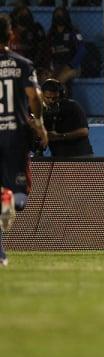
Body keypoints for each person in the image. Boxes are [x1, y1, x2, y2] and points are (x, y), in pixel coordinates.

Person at [0, 14, 49, 268]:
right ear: (11, 36)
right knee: (19, 200)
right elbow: (34, 97)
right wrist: (39, 124)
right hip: (16, 133)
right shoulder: (22, 63)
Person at [40, 79, 93, 157]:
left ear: (61, 95)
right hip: (58, 156)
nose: (51, 101)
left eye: (55, 98)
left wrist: (60, 136)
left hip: (80, 155)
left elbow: (84, 131)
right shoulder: (39, 110)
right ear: (42, 95)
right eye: (48, 98)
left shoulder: (72, 106)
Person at [48, 7, 86, 84]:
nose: (59, 17)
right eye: (57, 15)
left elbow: (82, 50)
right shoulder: (51, 34)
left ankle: (62, 95)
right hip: (57, 67)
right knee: (47, 79)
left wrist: (70, 65)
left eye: (61, 15)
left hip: (72, 68)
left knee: (61, 78)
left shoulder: (73, 32)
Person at [9, 5, 49, 71]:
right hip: (12, 66)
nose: (24, 16)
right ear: (15, 16)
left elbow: (42, 49)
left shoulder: (36, 29)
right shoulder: (9, 29)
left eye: (26, 14)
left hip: (32, 65)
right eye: (21, 14)